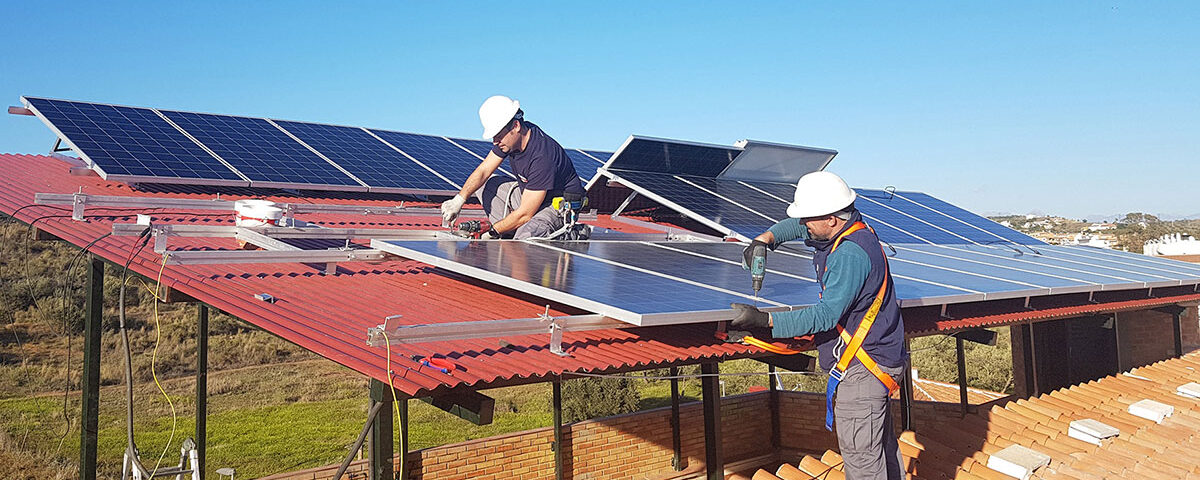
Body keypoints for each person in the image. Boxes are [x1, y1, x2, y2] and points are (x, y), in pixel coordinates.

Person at [731, 171, 906, 480]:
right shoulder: (849, 227)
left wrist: (764, 320)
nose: (804, 226)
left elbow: (825, 316)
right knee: (880, 448)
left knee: (863, 461)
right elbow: (795, 227)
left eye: (809, 219)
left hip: (864, 370)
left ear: (831, 219)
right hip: (878, 360)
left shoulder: (849, 254)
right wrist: (765, 240)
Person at [440, 95, 587, 240]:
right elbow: (483, 171)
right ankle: (506, 230)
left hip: (556, 206)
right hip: (530, 196)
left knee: (524, 239)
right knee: (484, 184)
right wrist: (459, 200)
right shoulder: (510, 141)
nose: (495, 142)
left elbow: (525, 213)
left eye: (498, 136)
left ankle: (569, 232)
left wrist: (491, 232)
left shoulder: (543, 155)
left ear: (515, 126)